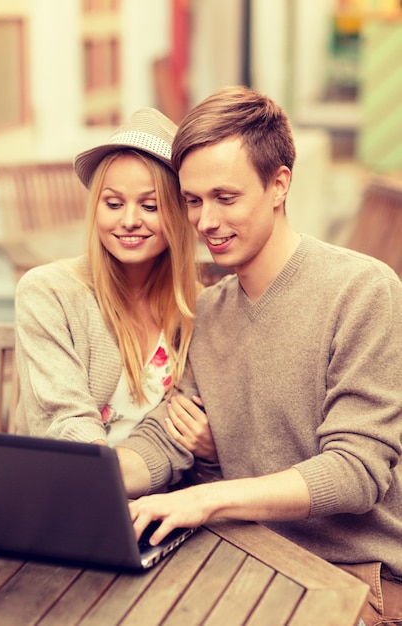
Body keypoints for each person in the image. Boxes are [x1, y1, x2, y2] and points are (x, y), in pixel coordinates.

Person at [116, 87, 402, 625]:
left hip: (352, 579)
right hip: (242, 561)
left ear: (279, 184)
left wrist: (207, 499)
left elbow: (356, 471)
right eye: (193, 200)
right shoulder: (212, 308)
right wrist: (97, 475)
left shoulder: (362, 290)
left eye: (226, 198)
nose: (204, 221)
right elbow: (169, 434)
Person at [13, 107, 214, 456]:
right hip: (69, 486)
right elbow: (64, 418)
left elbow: (188, 430)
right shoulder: (48, 293)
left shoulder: (195, 307)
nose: (130, 220)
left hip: (159, 496)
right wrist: (109, 483)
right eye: (114, 203)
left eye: (150, 206)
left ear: (179, 214)